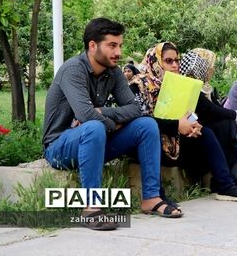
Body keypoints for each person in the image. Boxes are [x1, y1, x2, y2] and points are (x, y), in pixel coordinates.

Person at [43, 18, 182, 230]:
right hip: (60, 147)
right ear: (92, 45)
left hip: (96, 139)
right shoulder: (72, 70)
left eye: (119, 45)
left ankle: (151, 198)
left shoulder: (114, 71)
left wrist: (102, 113)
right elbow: (86, 114)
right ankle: (91, 207)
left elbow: (135, 109)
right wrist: (112, 122)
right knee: (94, 126)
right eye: (112, 45)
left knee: (146, 125)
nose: (118, 52)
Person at [131, 42, 237, 202]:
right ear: (155, 62)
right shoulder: (139, 85)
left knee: (205, 132)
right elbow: (140, 122)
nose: (175, 65)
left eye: (177, 60)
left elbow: (185, 111)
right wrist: (177, 125)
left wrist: (193, 123)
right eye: (168, 61)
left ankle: (225, 185)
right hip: (151, 142)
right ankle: (157, 197)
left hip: (175, 141)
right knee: (150, 132)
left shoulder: (177, 84)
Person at [180, 49, 237, 185]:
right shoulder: (189, 85)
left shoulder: (205, 87)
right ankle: (223, 179)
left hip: (198, 130)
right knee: (227, 125)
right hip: (188, 136)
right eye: (209, 66)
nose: (212, 70)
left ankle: (231, 176)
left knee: (231, 125)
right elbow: (212, 111)